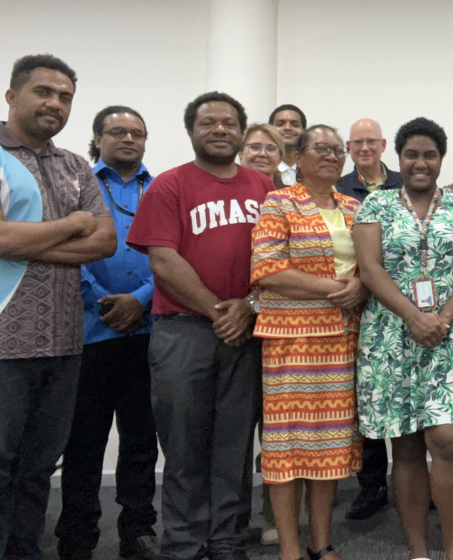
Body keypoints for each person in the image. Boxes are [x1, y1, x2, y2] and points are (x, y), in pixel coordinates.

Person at [126, 91, 273, 560]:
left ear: (241, 131)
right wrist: (219, 311)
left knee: (234, 443)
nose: (219, 129)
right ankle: (185, 544)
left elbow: (282, 259)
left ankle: (228, 540)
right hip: (184, 332)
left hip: (248, 331)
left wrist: (248, 306)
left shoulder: (264, 188)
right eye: (208, 122)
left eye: (228, 122)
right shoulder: (169, 185)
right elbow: (164, 260)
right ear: (191, 131)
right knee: (184, 445)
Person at [354, 117, 453, 560]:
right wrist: (415, 315)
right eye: (412, 154)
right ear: (399, 158)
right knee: (408, 444)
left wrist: (443, 316)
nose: (420, 162)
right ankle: (418, 552)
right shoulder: (374, 207)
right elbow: (371, 269)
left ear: (441, 159)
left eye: (429, 155)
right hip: (392, 335)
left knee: (449, 439)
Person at [0, 54, 117, 560]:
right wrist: (72, 225)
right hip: (5, 342)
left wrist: (21, 241)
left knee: (39, 466)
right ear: (11, 96)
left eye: (64, 96)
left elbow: (106, 240)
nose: (54, 103)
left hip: (65, 342)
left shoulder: (73, 164)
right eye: (43, 92)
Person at [251, 124, 365, 560]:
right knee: (286, 449)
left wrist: (361, 286)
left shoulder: (354, 208)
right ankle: (290, 547)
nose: (333, 155)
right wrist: (338, 288)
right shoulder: (279, 202)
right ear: (297, 157)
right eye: (322, 148)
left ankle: (322, 542)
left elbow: (371, 266)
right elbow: (268, 270)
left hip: (343, 341)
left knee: (331, 447)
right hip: (291, 343)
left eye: (339, 150)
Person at [55, 105, 158, 560]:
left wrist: (142, 299)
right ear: (96, 138)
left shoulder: (161, 190)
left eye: (137, 132)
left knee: (140, 441)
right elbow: (63, 250)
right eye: (116, 132)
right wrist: (101, 300)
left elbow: (176, 254)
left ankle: (138, 531)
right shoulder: (76, 185)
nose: (128, 139)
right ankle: (76, 536)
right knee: (84, 443)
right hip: (89, 333)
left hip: (149, 332)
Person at [336, 117, 403, 520]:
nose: (364, 148)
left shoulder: (404, 183)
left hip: (407, 304)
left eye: (371, 141)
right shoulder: (339, 190)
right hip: (361, 308)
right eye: (357, 142)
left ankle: (417, 482)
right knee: (371, 400)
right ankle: (372, 485)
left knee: (409, 394)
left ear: (382, 145)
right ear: (349, 147)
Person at [269, 104, 306, 186]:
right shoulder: (263, 169)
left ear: (304, 131)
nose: (287, 128)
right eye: (280, 124)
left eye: (295, 124)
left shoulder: (312, 173)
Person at [239, 123, 285, 187]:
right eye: (255, 147)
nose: (263, 153)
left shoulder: (291, 196)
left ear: (280, 159)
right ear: (241, 155)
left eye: (270, 149)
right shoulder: (227, 192)